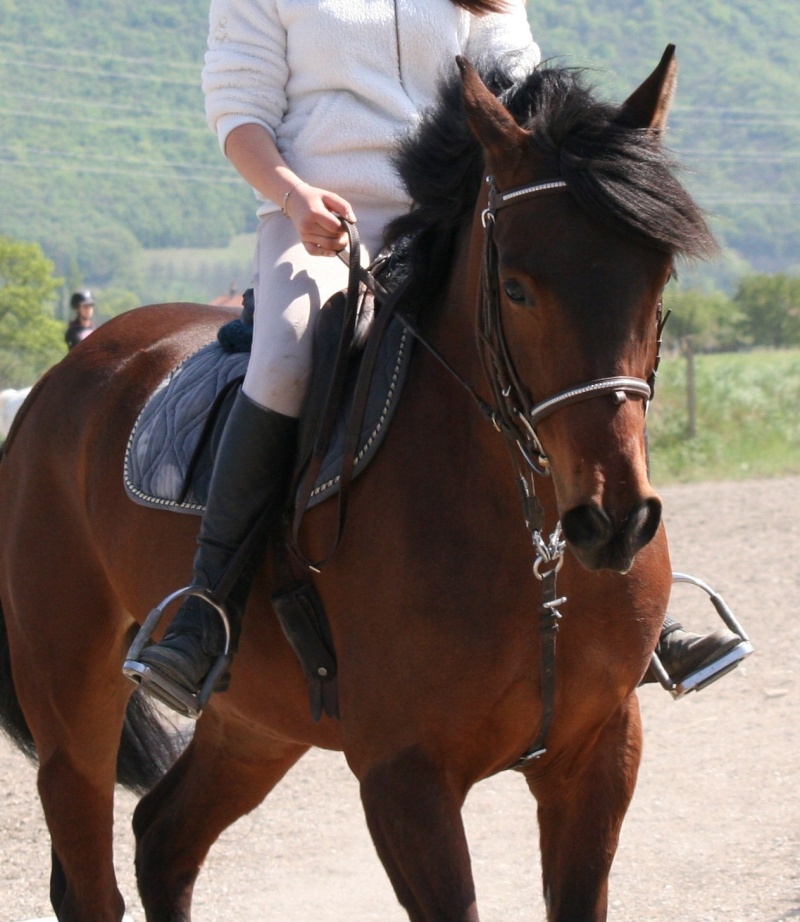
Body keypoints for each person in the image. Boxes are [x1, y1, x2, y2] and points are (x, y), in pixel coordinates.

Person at [127, 0, 748, 717]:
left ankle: (635, 605)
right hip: (325, 222)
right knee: (285, 359)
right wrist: (296, 198)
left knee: (566, 339)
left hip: (461, 217)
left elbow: (524, 88)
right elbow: (239, 117)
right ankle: (209, 610)